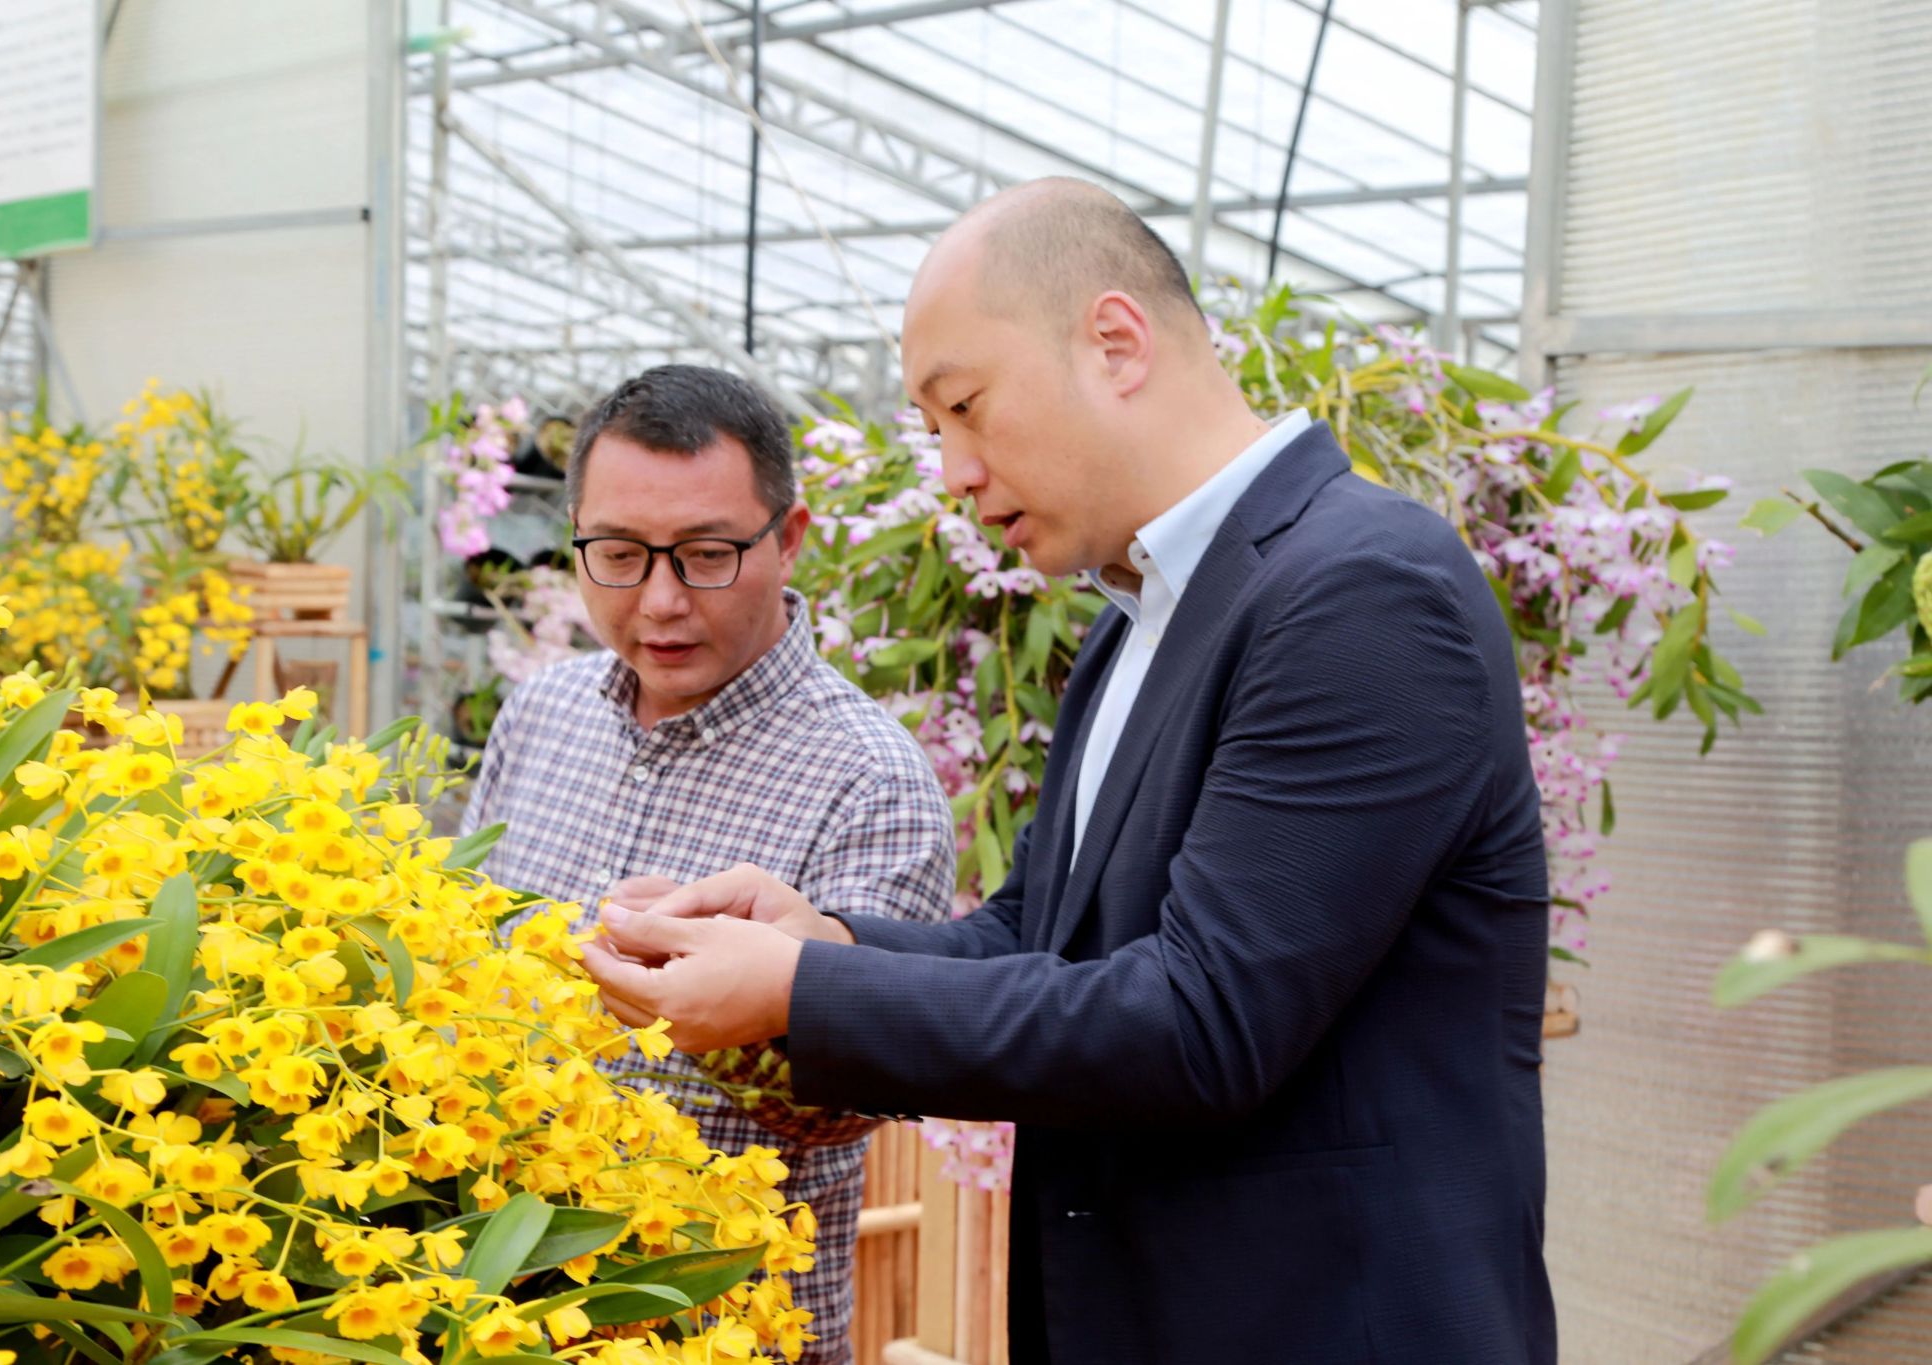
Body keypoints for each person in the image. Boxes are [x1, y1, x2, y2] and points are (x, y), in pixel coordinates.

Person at [581, 181, 1557, 1364]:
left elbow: (1204, 1019)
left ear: (1114, 343)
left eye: (964, 408)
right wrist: (821, 943)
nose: (952, 470)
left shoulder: (1360, 591)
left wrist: (797, 993)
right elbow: (1036, 936)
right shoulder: (1136, 620)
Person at [459, 364, 956, 1365]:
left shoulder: (870, 780)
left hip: (714, 1333)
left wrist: (727, 1024)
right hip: (490, 1315)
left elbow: (856, 1107)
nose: (660, 601)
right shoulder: (543, 714)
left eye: (705, 556)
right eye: (617, 554)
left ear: (789, 538)